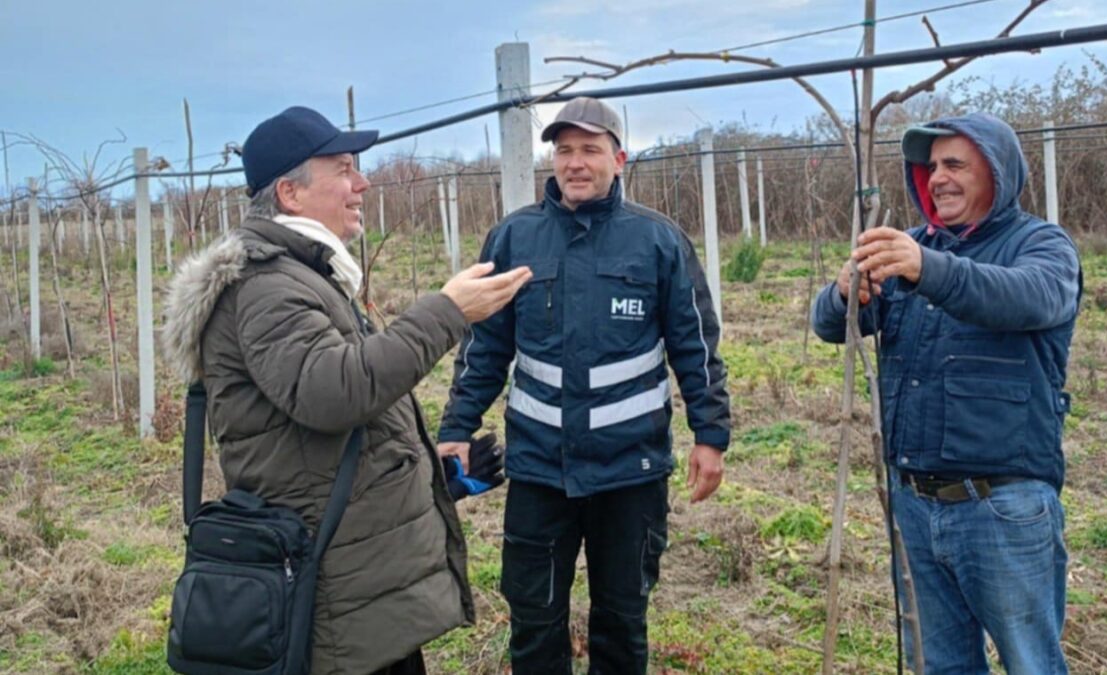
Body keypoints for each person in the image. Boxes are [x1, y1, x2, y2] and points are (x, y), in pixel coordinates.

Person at [161, 106, 531, 675]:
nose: (362, 183)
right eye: (342, 169)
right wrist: (447, 311)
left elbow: (322, 441)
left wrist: (433, 478)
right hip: (334, 593)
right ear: (289, 192)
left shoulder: (303, 274)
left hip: (356, 578)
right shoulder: (267, 287)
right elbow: (336, 392)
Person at [437, 97, 730, 674]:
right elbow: (485, 348)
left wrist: (710, 433)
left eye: (590, 150)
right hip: (540, 470)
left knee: (621, 620)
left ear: (618, 158)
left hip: (630, 472)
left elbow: (695, 343)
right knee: (533, 617)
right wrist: (455, 428)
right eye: (564, 149)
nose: (575, 162)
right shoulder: (514, 239)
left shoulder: (657, 241)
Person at [811, 112, 1081, 674]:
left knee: (1031, 662)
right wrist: (844, 295)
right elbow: (832, 327)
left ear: (997, 172)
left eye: (955, 164)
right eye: (931, 167)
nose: (938, 178)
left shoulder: (1041, 247)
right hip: (913, 500)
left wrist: (927, 268)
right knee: (942, 666)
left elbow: (1025, 299)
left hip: (1001, 506)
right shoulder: (909, 246)